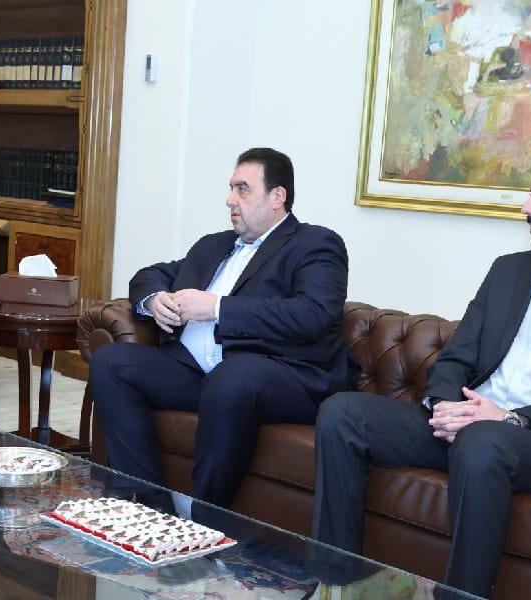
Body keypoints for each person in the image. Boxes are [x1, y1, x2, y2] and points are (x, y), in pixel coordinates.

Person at [310, 149, 531, 597]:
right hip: (471, 423)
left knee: (483, 441)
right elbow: (456, 358)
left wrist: (509, 418)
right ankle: (336, 582)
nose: (526, 207)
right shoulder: (508, 271)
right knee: (343, 413)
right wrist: (446, 406)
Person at [89, 147, 359, 512]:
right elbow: (151, 275)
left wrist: (216, 307)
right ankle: (148, 507)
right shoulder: (213, 246)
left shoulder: (315, 244)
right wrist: (153, 300)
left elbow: (314, 314)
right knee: (111, 362)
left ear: (277, 196)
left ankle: (205, 520)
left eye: (243, 189)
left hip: (281, 377)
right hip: (196, 373)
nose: (230, 199)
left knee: (232, 376)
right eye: (231, 188)